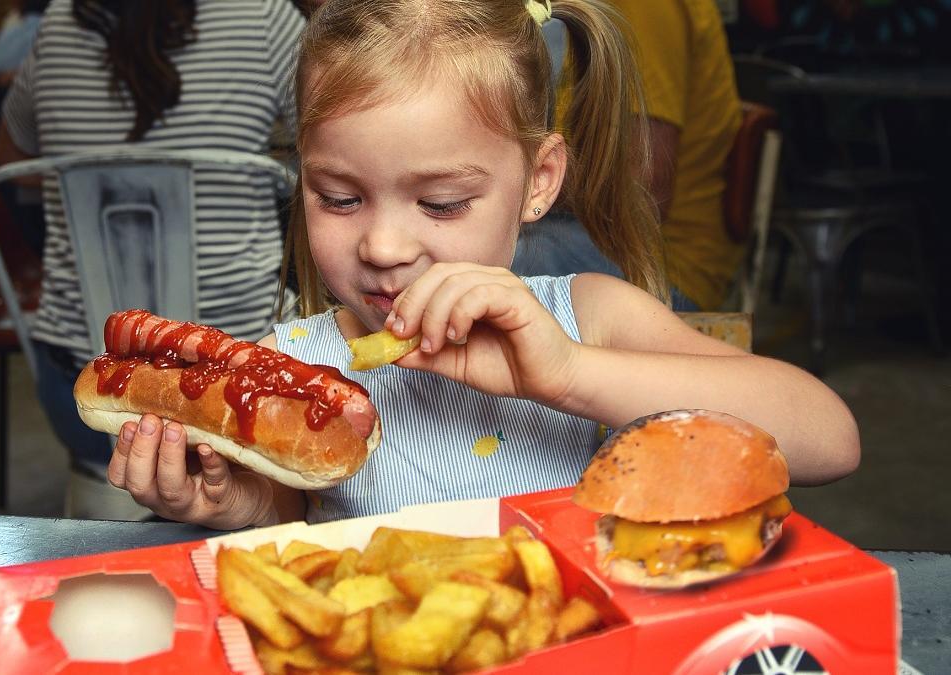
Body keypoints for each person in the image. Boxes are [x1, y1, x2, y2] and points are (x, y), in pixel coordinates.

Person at [105, 0, 861, 530]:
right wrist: (239, 506)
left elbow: (829, 438)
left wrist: (566, 371)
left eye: (440, 204)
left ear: (539, 181)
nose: (384, 246)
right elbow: (296, 518)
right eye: (339, 197)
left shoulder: (589, 315)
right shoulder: (292, 363)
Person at [0, 0, 306, 518]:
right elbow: (334, 147)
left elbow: (9, 160)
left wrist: (101, 177)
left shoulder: (56, 24)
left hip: (81, 389)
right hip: (256, 391)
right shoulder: (263, 16)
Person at [514, 0, 743, 312]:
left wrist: (505, 173)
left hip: (654, 265)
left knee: (466, 264)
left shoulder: (643, 7)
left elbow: (644, 183)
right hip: (578, 231)